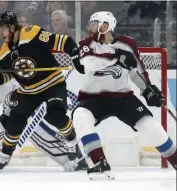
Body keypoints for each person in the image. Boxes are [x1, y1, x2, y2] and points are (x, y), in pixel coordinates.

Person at [0, 11, 85, 173]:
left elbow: (63, 41)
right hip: (28, 91)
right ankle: (6, 155)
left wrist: (74, 55)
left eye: (2, 29)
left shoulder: (32, 33)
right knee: (15, 120)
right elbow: (3, 77)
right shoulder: (4, 51)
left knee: (55, 115)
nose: (0, 33)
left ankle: (71, 143)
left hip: (52, 83)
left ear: (12, 26)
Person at [71, 11, 177, 180]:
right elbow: (89, 63)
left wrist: (148, 90)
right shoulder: (86, 44)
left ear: (105, 26)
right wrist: (116, 58)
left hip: (122, 97)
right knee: (80, 116)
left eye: (93, 23)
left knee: (151, 126)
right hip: (93, 98)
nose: (89, 26)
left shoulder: (128, 44)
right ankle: (99, 164)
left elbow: (136, 71)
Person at [0, 59, 88, 172]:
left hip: (33, 110)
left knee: (39, 133)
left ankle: (75, 158)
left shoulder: (5, 73)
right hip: (15, 116)